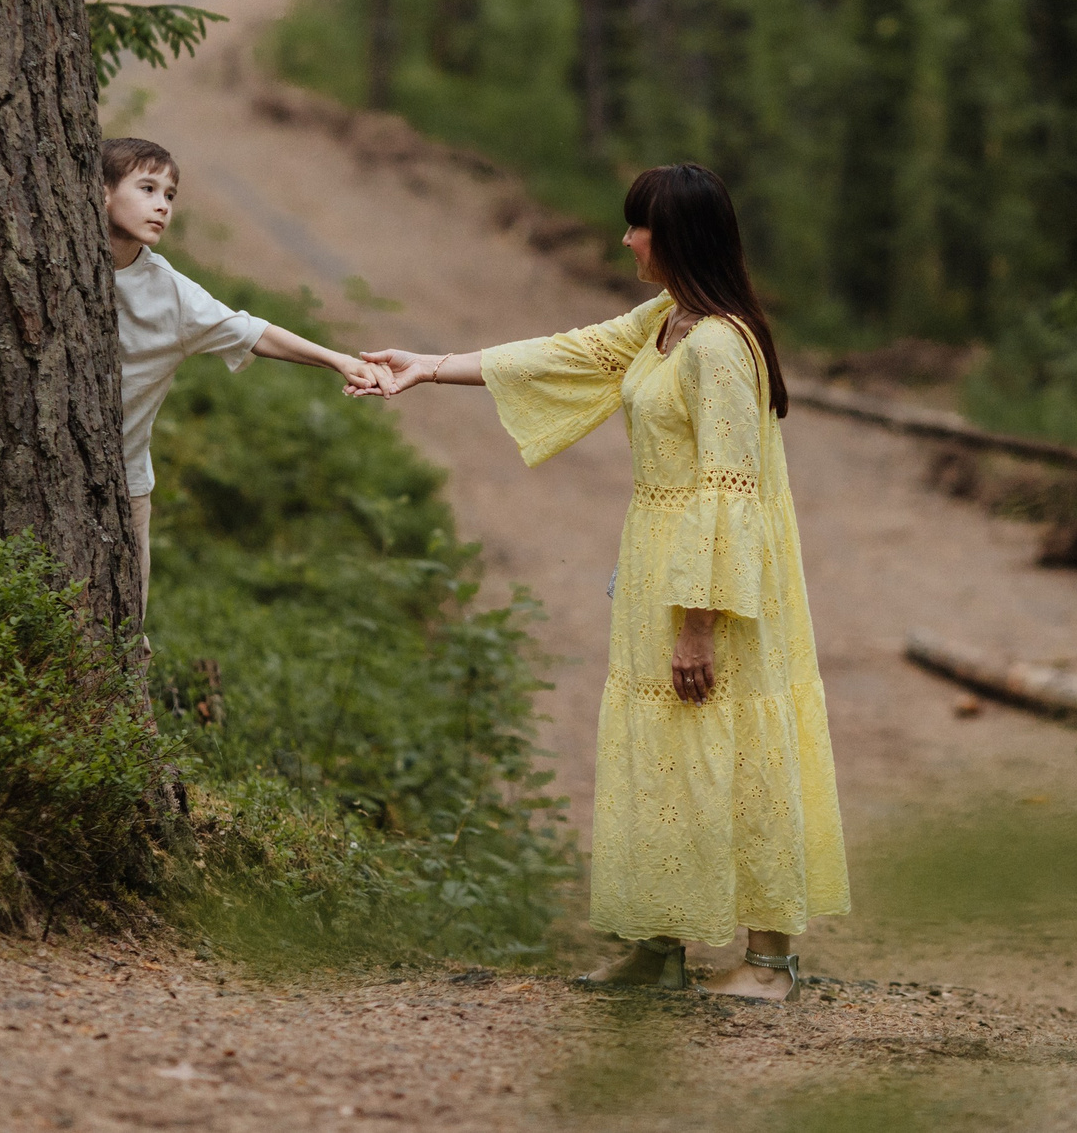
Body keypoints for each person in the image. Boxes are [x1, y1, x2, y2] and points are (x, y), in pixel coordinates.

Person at [363, 162, 849, 1002]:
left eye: (638, 226)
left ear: (676, 238)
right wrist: (430, 364)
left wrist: (697, 622)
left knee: (741, 744)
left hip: (716, 579)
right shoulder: (669, 319)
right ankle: (656, 945)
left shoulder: (719, 347)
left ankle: (770, 958)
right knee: (663, 752)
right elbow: (574, 352)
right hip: (662, 557)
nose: (625, 239)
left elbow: (724, 492)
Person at [103, 138, 381, 639]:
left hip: (124, 482)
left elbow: (256, 331)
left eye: (170, 194)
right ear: (101, 192)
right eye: (147, 188)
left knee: (123, 625)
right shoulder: (48, 262)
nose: (162, 205)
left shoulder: (172, 295)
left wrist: (339, 360)